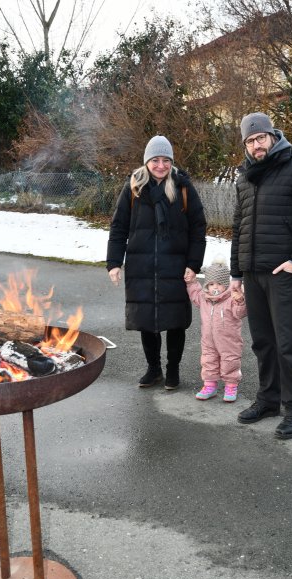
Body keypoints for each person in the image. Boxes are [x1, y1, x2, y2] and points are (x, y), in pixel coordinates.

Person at [231, 112, 292, 439]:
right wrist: (235, 274)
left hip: (284, 273)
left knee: (288, 344)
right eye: (250, 140)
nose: (257, 145)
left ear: (273, 136)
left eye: (261, 138)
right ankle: (268, 400)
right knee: (263, 343)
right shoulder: (245, 177)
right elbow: (238, 228)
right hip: (252, 273)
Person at [107, 135, 206, 390]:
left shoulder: (183, 187)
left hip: (175, 266)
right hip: (141, 267)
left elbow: (198, 228)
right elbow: (118, 227)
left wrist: (193, 264)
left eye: (165, 160)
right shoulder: (133, 188)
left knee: (175, 321)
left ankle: (173, 370)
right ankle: (154, 369)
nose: (160, 165)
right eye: (155, 160)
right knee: (146, 320)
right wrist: (114, 262)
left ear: (171, 161)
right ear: (146, 161)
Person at [186, 256, 247, 402]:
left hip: (229, 340)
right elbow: (194, 293)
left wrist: (239, 300)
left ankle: (231, 386)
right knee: (208, 360)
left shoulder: (231, 299)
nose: (215, 287)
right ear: (207, 285)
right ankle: (210, 385)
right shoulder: (203, 298)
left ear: (226, 285)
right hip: (208, 339)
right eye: (211, 284)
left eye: (219, 284)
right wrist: (191, 282)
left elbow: (240, 313)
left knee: (230, 360)